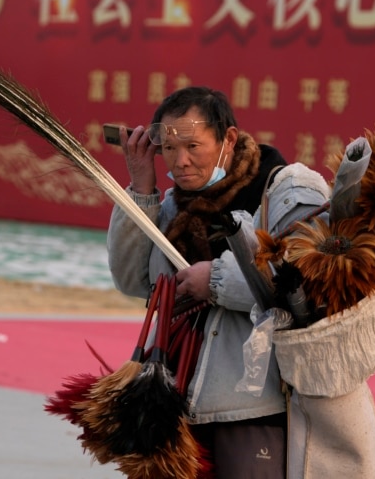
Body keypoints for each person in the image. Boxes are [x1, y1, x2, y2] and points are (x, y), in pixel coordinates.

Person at [106, 86, 329, 479]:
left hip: (255, 407)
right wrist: (142, 188)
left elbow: (316, 283)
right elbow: (132, 280)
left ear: (228, 137)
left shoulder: (285, 191)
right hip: (172, 403)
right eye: (170, 149)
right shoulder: (173, 204)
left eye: (194, 145)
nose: (181, 161)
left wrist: (217, 280)